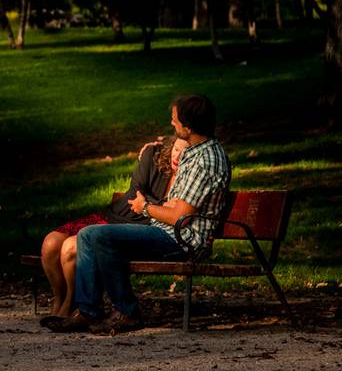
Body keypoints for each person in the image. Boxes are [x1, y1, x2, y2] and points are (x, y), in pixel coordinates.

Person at [48, 94, 231, 334]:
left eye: (175, 120)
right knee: (87, 235)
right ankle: (88, 311)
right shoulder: (195, 152)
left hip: (184, 240)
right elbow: (175, 206)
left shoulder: (206, 160)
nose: (172, 124)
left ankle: (128, 312)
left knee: (100, 236)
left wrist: (146, 207)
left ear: (188, 126)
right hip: (166, 231)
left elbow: (179, 217)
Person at [39, 136, 189, 320]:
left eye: (184, 153)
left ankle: (70, 303)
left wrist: (151, 206)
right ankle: (59, 299)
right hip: (115, 215)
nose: (176, 157)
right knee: (51, 243)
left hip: (135, 227)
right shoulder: (153, 155)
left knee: (70, 247)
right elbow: (136, 191)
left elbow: (177, 212)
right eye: (175, 149)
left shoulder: (189, 178)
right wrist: (162, 205)